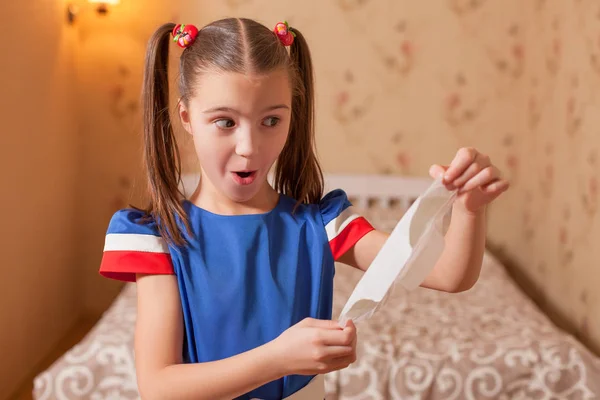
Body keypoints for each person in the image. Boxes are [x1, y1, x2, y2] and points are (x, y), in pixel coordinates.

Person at [98, 17, 509, 400]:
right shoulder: (161, 238)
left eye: (271, 121)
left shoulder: (321, 226)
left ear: (292, 116)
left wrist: (470, 209)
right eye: (225, 122)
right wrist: (278, 359)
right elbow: (158, 386)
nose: (249, 147)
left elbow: (450, 275)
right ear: (187, 118)